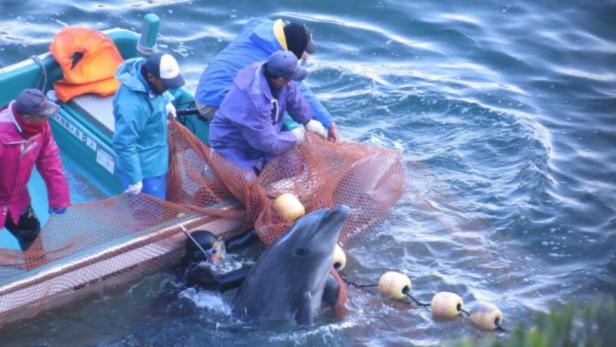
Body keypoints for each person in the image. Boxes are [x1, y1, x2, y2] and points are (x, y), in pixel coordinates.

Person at [191, 18, 339, 144]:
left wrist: (295, 52)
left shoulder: (261, 28)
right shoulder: (273, 59)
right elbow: (299, 91)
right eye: (301, 53)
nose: (305, 56)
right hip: (212, 104)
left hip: (204, 89)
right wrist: (328, 123)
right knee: (271, 109)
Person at [209, 50, 326, 175]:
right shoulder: (254, 102)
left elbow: (292, 93)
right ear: (280, 79)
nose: (291, 81)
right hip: (231, 145)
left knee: (294, 165)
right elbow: (269, 143)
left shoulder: (270, 71)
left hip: (260, 136)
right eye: (290, 78)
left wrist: (308, 120)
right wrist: (295, 137)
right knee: (248, 185)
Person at [0, 89, 70, 251]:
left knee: (31, 231)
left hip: (17, 199)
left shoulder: (42, 126)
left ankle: (37, 268)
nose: (47, 118)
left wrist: (59, 198)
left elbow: (50, 160)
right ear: (27, 118)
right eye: (43, 115)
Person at [112, 52, 185, 199]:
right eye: (166, 85)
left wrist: (166, 100)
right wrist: (135, 179)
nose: (168, 89)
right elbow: (124, 144)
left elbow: (156, 92)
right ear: (151, 77)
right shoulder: (132, 106)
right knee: (149, 216)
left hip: (157, 157)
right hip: (144, 170)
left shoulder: (149, 79)